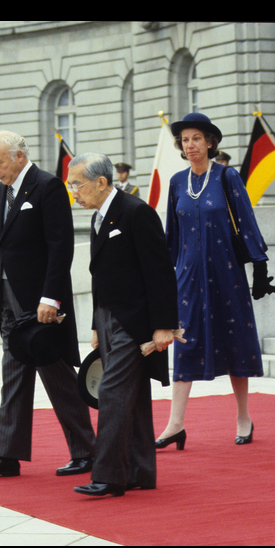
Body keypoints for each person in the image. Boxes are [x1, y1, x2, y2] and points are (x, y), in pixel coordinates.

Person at [0, 131, 96, 481]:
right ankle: (7, 454)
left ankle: (87, 451)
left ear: (19, 156)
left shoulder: (47, 187)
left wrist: (50, 298)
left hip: (39, 304)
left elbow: (60, 246)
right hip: (9, 299)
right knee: (14, 376)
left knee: (57, 375)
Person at [157, 112, 275, 448]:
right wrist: (164, 277)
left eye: (196, 138)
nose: (190, 145)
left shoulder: (227, 176)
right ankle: (175, 424)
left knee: (235, 340)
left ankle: (243, 417)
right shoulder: (177, 182)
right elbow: (171, 235)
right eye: (185, 140)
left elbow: (247, 221)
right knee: (184, 343)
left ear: (210, 142)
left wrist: (260, 267)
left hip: (226, 275)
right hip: (187, 277)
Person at [67, 153, 178, 497]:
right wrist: (95, 324)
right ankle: (139, 471)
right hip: (107, 317)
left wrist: (164, 326)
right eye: (71, 185)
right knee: (133, 395)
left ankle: (109, 475)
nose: (74, 192)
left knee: (112, 393)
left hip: (134, 321)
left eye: (77, 184)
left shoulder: (136, 212)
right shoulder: (98, 216)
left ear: (101, 182)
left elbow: (160, 272)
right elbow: (99, 276)